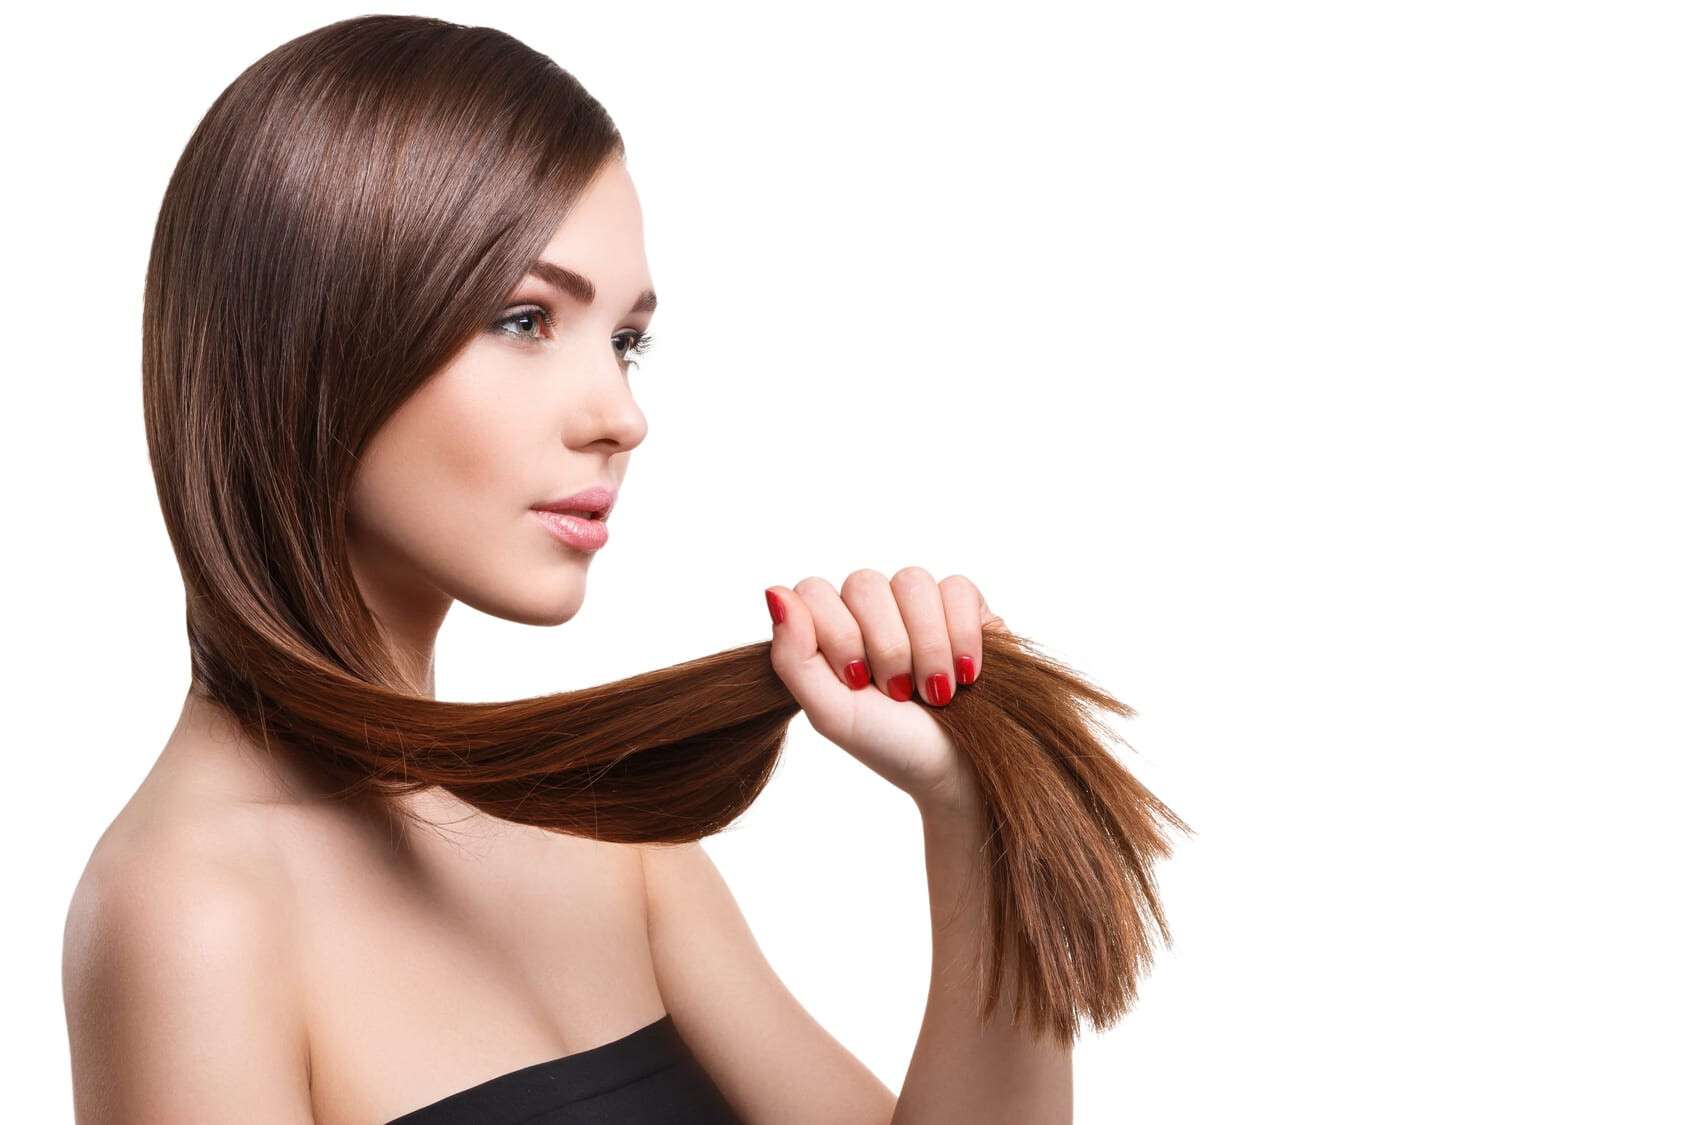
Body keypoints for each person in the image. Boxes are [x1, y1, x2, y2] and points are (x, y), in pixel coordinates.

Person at [60, 15, 1076, 1124]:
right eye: (523, 317)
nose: (620, 416)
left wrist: (972, 819)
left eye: (625, 340)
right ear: (311, 342)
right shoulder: (188, 915)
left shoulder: (597, 832)